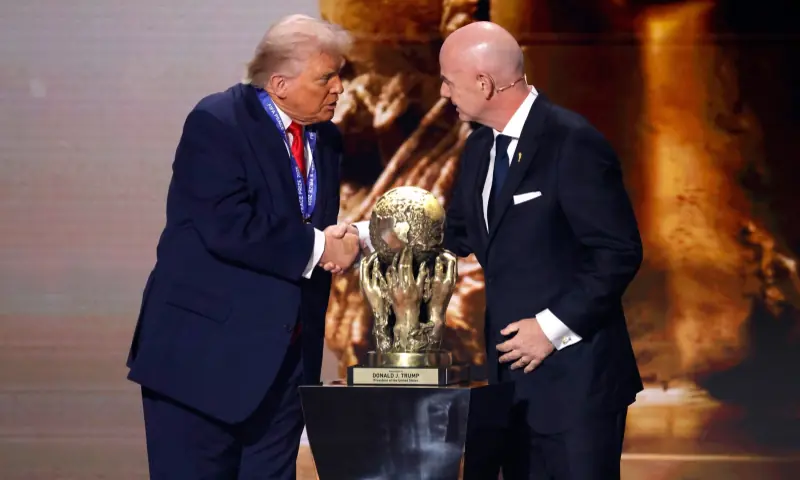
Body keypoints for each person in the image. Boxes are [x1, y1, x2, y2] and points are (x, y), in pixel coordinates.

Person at [336, 20, 644, 479]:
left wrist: (550, 327)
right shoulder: (481, 145)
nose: (442, 92)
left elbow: (617, 252)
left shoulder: (572, 142)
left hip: (577, 384)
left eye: (449, 81)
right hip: (511, 385)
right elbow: (454, 231)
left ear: (484, 83)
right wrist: (362, 237)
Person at [125, 15, 359, 479]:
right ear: (279, 83)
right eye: (325, 78)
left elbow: (305, 226)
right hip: (202, 362)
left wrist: (345, 241)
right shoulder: (217, 122)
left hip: (285, 365)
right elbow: (227, 225)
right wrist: (319, 247)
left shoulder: (326, 138)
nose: (338, 88)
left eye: (340, 75)